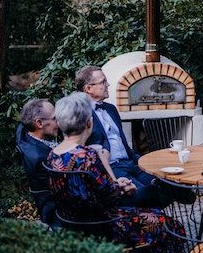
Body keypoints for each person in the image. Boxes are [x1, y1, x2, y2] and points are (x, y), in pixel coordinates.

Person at [46, 92, 184, 251]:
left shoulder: (53, 154)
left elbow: (91, 189)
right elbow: (110, 197)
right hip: (102, 226)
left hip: (73, 223)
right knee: (170, 225)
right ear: (89, 123)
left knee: (151, 205)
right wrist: (125, 189)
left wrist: (116, 184)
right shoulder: (87, 156)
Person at [76, 65, 175, 208]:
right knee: (146, 193)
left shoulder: (111, 109)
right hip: (112, 168)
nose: (108, 84)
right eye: (103, 82)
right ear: (88, 88)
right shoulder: (80, 113)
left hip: (130, 162)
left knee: (164, 181)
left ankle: (173, 193)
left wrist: (141, 161)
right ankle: (155, 217)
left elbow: (123, 143)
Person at [15, 98, 59, 225]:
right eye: (55, 118)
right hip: (56, 212)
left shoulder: (24, 132)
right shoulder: (42, 158)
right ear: (39, 123)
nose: (59, 122)